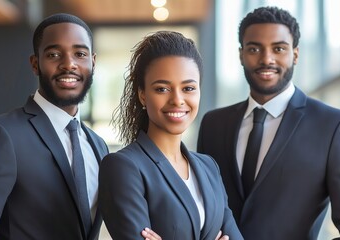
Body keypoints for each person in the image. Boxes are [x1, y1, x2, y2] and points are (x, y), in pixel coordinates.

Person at [197, 6, 340, 240]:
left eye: (279, 48)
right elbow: (201, 208)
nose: (266, 59)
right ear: (241, 54)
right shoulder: (213, 124)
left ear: (295, 54)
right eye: (254, 49)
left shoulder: (334, 127)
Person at [0, 13, 109, 240]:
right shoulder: (4, 136)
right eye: (54, 54)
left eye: (79, 54)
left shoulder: (98, 146)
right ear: (35, 64)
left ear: (92, 62)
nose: (69, 64)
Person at [98, 31, 243, 240]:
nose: (177, 100)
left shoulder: (209, 167)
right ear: (142, 95)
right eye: (162, 89)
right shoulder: (123, 167)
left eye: (188, 88)